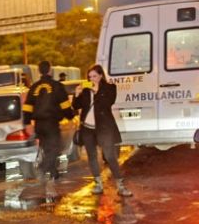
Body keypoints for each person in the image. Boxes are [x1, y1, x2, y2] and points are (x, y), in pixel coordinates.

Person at [72, 64, 132, 196]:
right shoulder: (86, 91)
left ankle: (120, 186)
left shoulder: (109, 88)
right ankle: (98, 184)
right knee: (92, 156)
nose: (92, 79)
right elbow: (76, 105)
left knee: (110, 156)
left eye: (94, 76)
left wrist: (96, 91)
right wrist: (77, 94)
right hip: (87, 128)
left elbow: (108, 102)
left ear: (100, 76)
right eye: (89, 77)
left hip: (104, 128)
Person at [23, 60, 74, 190]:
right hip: (52, 123)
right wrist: (70, 115)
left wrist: (27, 123)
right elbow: (65, 106)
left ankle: (54, 173)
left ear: (39, 71)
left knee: (47, 149)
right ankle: (42, 169)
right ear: (50, 70)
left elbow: (27, 107)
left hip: (39, 125)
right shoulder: (57, 86)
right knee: (55, 148)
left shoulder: (34, 87)